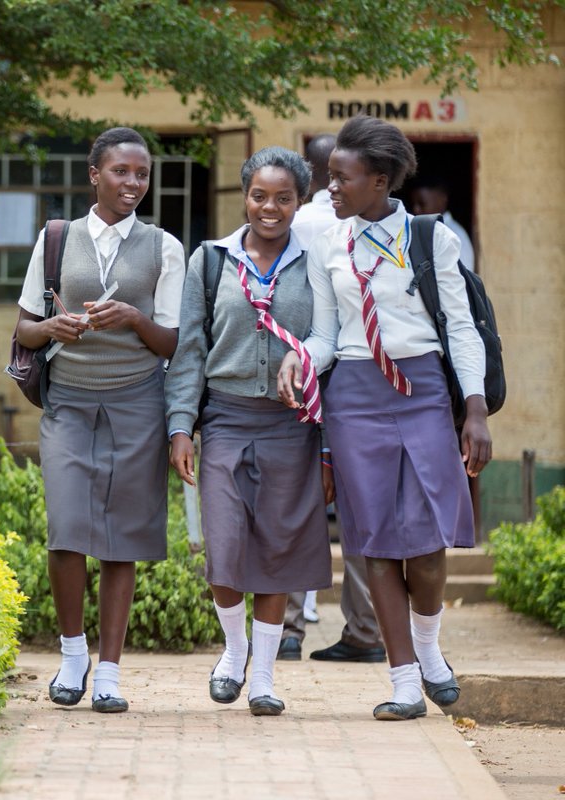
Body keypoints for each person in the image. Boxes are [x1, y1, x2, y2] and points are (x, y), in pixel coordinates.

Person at [278, 114, 491, 721]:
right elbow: (327, 334)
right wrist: (300, 358)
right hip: (354, 396)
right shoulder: (328, 243)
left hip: (422, 391)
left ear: (379, 181)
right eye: (329, 177)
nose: (330, 189)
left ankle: (428, 648)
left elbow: (462, 330)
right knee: (373, 541)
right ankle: (402, 682)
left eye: (341, 179)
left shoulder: (431, 239)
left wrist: (474, 409)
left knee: (425, 544)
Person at [13, 126, 185, 714]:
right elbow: (23, 329)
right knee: (66, 528)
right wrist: (52, 328)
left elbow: (173, 342)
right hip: (68, 402)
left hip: (138, 403)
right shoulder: (56, 238)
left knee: (121, 538)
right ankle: (72, 655)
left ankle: (109, 671)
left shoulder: (163, 247)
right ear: (95, 175)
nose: (132, 183)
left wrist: (134, 318)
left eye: (141, 174)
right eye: (120, 171)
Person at [165, 146, 332, 717]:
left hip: (291, 424)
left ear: (300, 201)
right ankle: (234, 650)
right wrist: (181, 425)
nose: (270, 207)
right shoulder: (211, 261)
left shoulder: (316, 262)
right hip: (226, 419)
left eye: (283, 198)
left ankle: (262, 677)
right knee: (225, 544)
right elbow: (190, 349)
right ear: (245, 196)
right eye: (259, 195)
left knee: (277, 549)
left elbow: (330, 339)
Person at [280, 133, 387, 665]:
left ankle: (288, 628)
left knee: (299, 503)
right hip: (360, 379)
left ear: (311, 171)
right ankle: (365, 629)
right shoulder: (382, 223)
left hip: (300, 373)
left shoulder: (296, 222)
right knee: (360, 508)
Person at [410, 176, 475, 272]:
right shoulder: (425, 230)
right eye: (413, 204)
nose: (415, 209)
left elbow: (462, 277)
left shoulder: (453, 235)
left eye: (422, 204)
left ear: (442, 199)